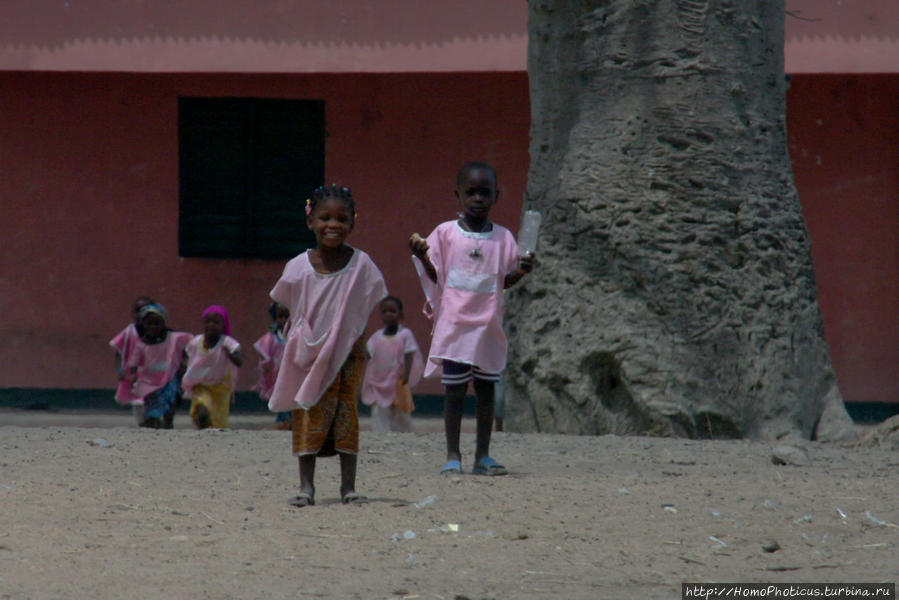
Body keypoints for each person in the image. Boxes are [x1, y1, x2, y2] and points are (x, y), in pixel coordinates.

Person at [409, 162, 535, 475]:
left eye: (485, 192)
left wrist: (521, 271)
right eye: (471, 192)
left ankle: (482, 455)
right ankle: (453, 455)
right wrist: (423, 255)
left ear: (496, 196)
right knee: (453, 392)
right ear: (458, 195)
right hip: (455, 327)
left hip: (487, 327)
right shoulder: (446, 234)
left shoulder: (504, 239)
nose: (478, 198)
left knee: (486, 392)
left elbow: (503, 281)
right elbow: (436, 274)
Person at [268, 184, 387, 507]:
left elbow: (367, 301)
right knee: (306, 413)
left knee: (346, 415)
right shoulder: (297, 266)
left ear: (353, 223)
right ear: (310, 222)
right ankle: (307, 487)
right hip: (308, 352)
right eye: (325, 218)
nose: (333, 225)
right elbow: (285, 304)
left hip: (348, 354)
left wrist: (346, 334)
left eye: (341, 218)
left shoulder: (361, 265)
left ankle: (348, 487)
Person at [361, 296, 424, 433]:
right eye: (384, 311)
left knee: (401, 410)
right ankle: (380, 434)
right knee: (379, 410)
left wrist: (407, 374)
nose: (388, 314)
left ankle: (403, 435)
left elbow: (409, 353)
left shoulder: (405, 334)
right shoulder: (376, 336)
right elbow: (368, 353)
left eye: (392, 311)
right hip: (379, 382)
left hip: (398, 381)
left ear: (400, 314)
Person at [127, 303, 192, 429]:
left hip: (170, 377)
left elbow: (191, 345)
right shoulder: (142, 343)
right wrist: (133, 376)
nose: (153, 327)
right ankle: (152, 421)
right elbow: (133, 363)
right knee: (152, 404)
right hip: (151, 380)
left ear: (163, 323)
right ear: (143, 324)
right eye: (149, 324)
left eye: (157, 323)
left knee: (170, 400)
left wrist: (185, 363)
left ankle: (168, 422)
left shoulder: (173, 338)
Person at [182, 305, 243, 429]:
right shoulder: (196, 341)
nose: (211, 325)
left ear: (223, 325)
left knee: (218, 418)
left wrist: (230, 354)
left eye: (216, 322)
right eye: (207, 322)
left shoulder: (227, 342)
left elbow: (239, 362)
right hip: (201, 384)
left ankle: (213, 434)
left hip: (220, 386)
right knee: (202, 408)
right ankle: (201, 430)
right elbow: (186, 354)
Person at [109, 295, 155, 425]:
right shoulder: (129, 332)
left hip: (152, 373)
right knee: (138, 401)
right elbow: (118, 352)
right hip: (134, 375)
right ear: (132, 313)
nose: (141, 314)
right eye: (138, 310)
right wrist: (120, 369)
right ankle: (142, 423)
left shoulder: (156, 331)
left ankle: (152, 420)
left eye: (146, 310)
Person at [253, 302, 291, 429]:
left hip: (294, 375)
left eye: (288, 316)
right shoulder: (271, 338)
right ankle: (283, 421)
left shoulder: (297, 336)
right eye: (281, 317)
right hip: (278, 377)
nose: (284, 320)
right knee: (282, 399)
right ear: (275, 318)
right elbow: (264, 355)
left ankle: (291, 421)